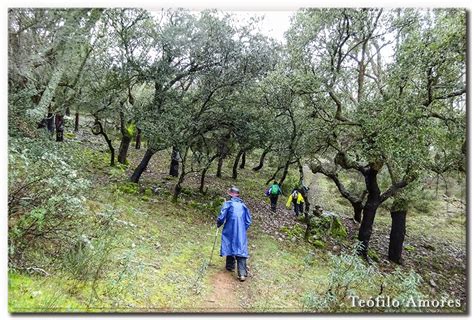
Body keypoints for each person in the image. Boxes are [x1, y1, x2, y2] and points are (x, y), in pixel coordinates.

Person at [217, 186, 252, 282]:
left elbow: (221, 218)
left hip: (229, 229)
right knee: (241, 248)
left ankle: (230, 266)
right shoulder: (244, 206)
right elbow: (248, 221)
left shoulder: (228, 204)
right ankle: (242, 274)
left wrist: (218, 224)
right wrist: (243, 229)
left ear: (231, 195)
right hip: (241, 231)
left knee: (229, 244)